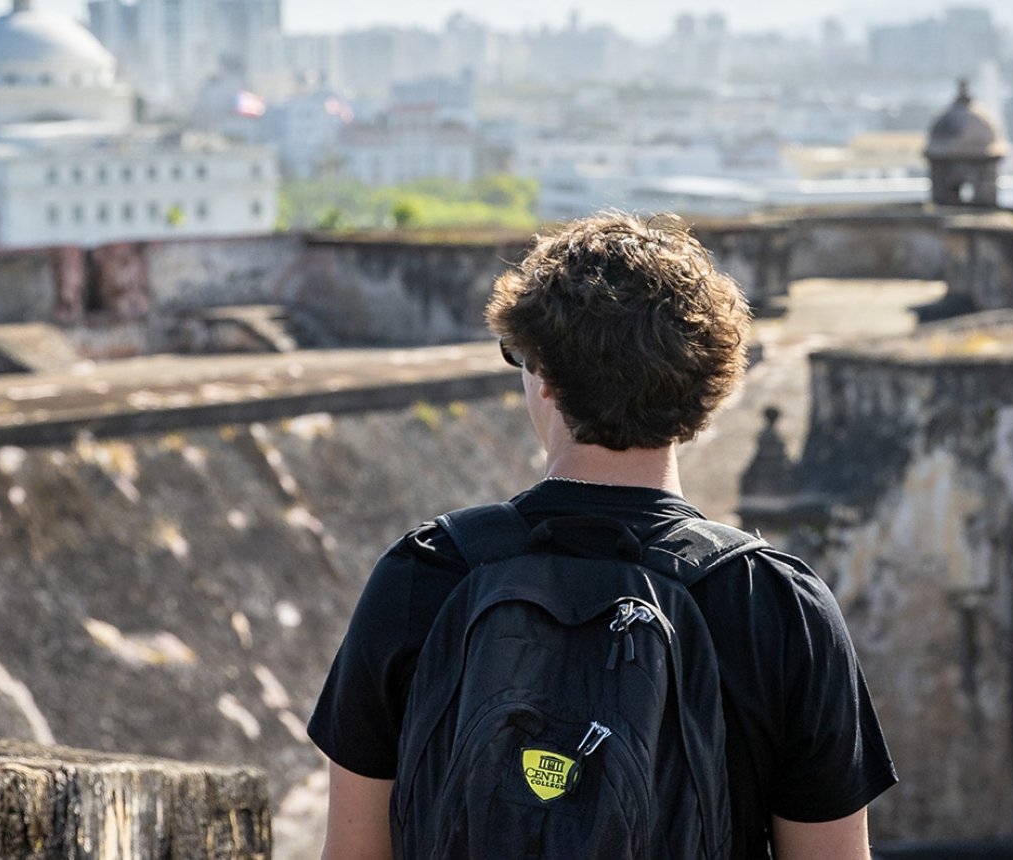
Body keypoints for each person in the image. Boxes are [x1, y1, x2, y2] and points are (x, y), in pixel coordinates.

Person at [308, 212, 897, 859]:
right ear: (709, 390)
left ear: (546, 378)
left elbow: (354, 850)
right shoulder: (778, 606)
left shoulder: (425, 574)